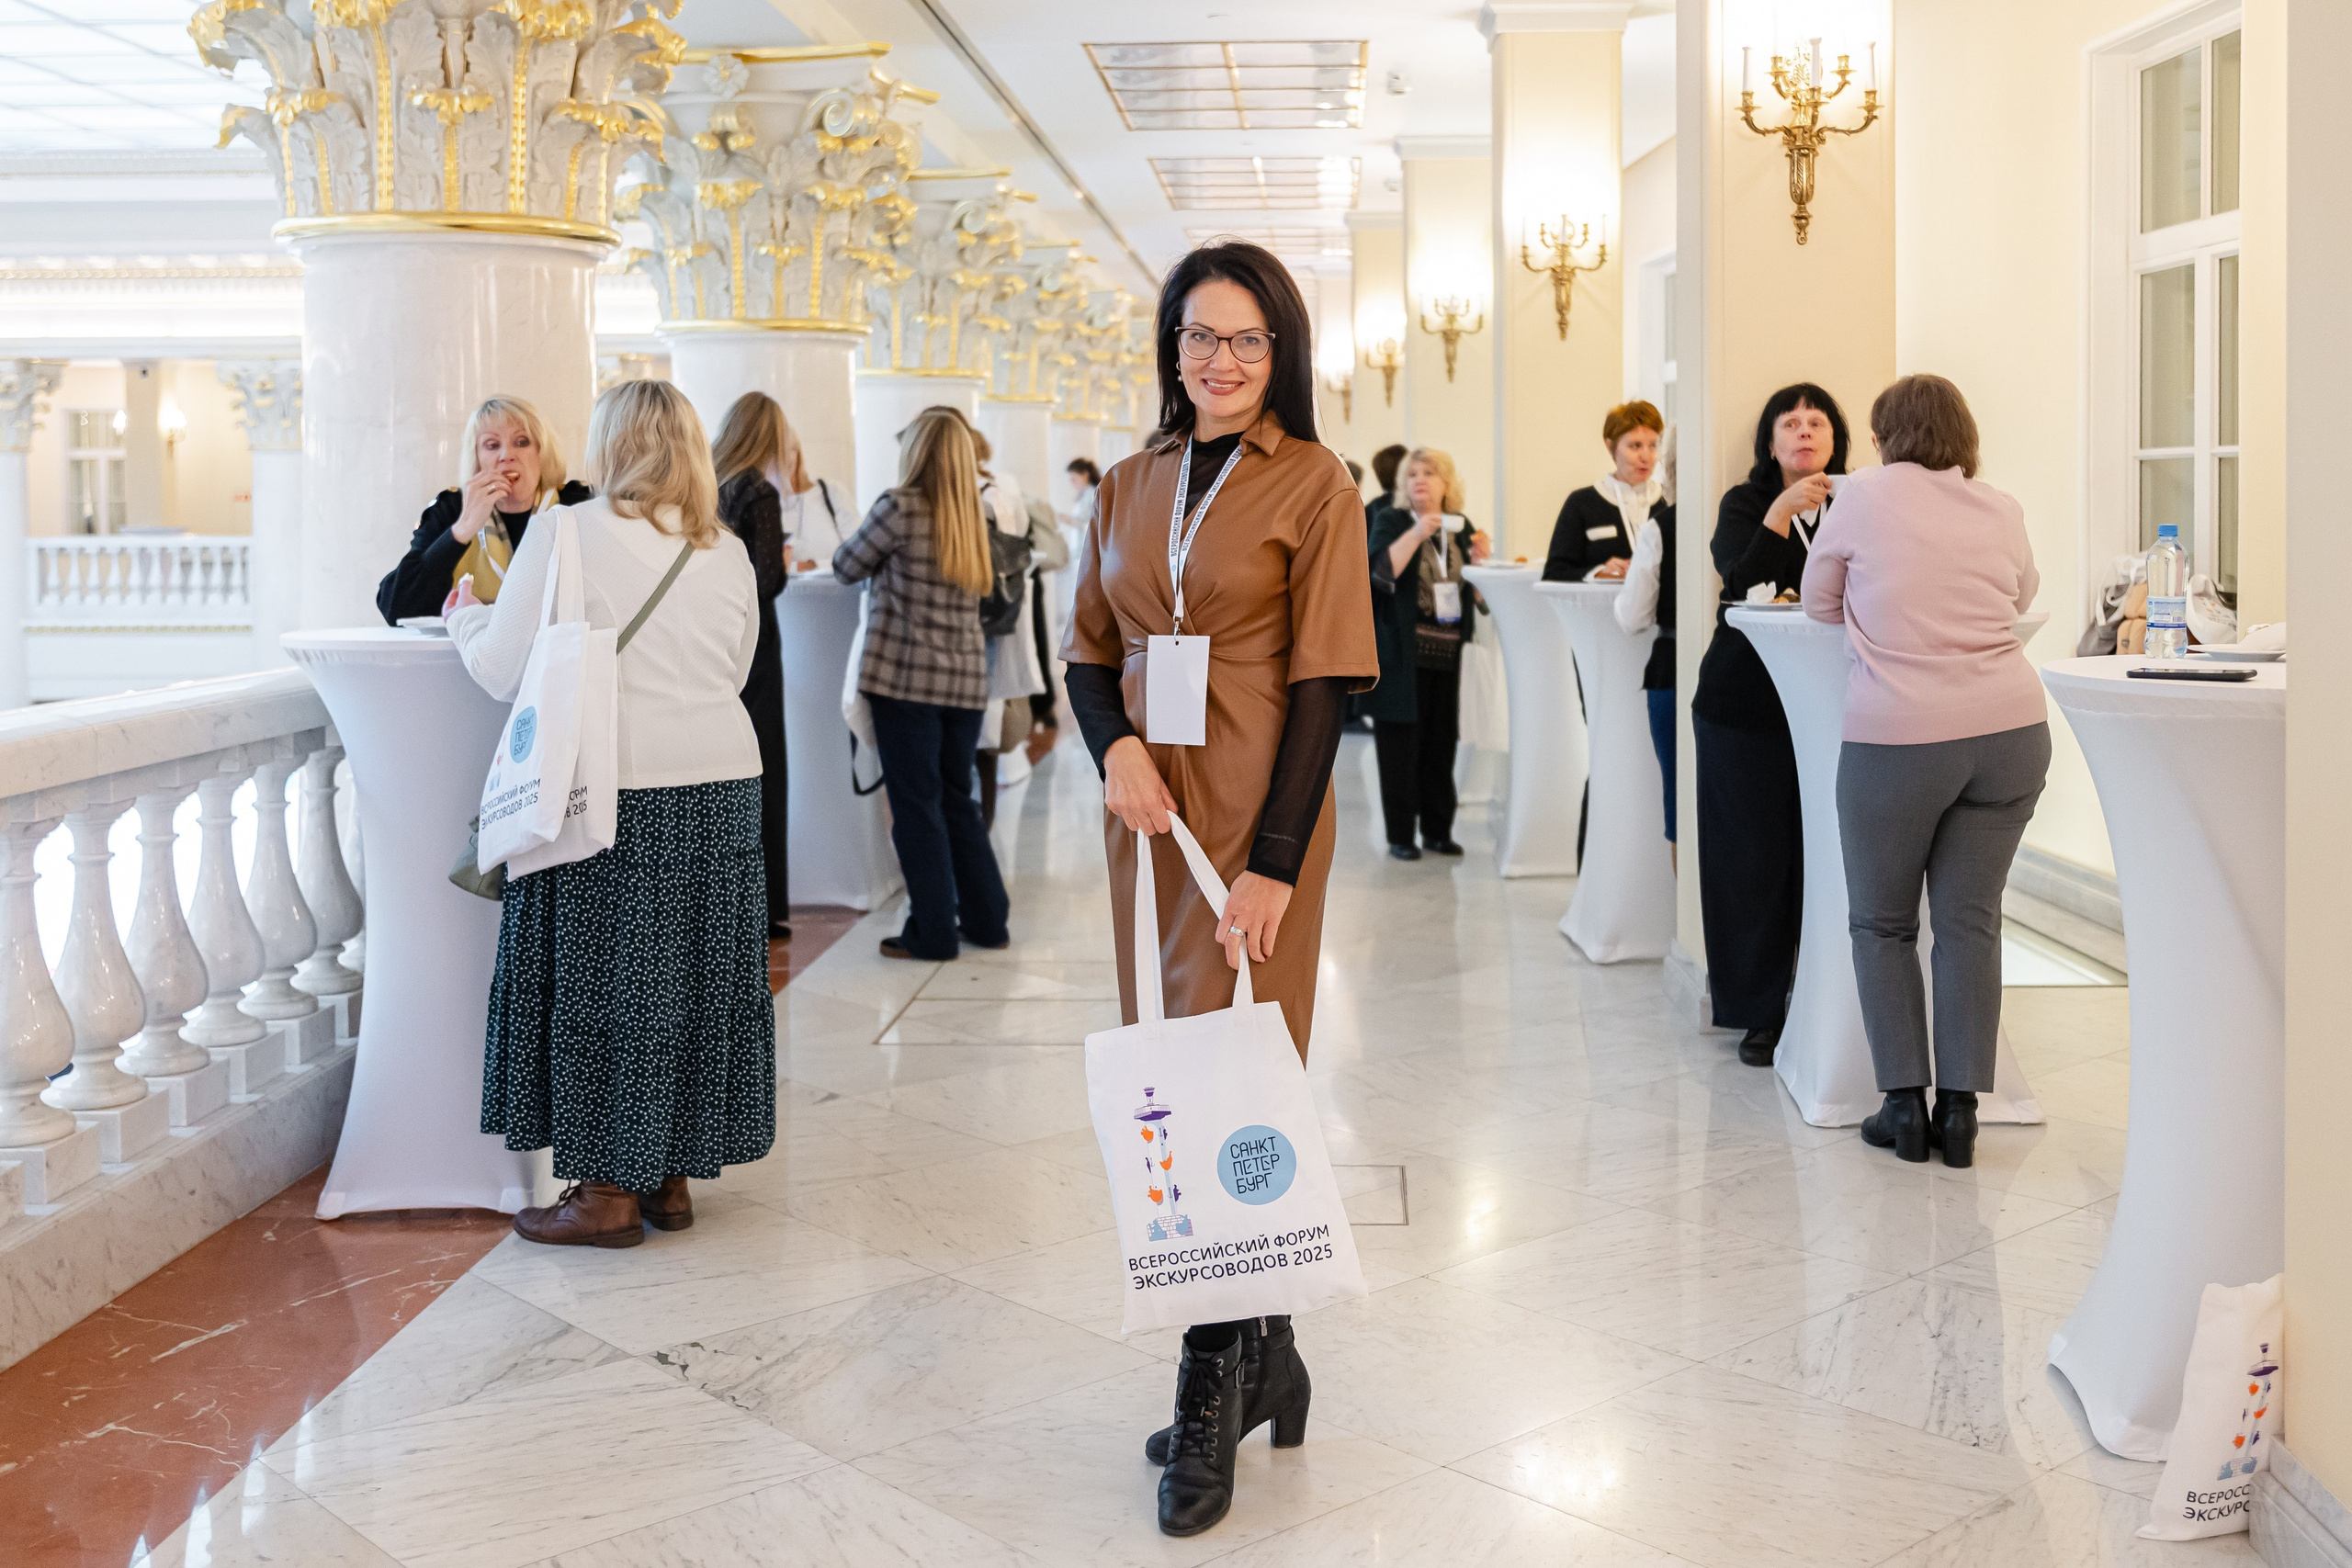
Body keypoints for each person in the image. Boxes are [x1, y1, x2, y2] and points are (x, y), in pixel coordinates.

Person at [1060, 239, 1376, 1539]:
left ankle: (1210, 1369)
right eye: (1201, 337)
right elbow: (1085, 654)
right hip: (1149, 824)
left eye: (1247, 339)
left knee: (1246, 1078)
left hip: (1253, 820)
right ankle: (1269, 1349)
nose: (1223, 361)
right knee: (1175, 1071)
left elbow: (1326, 684)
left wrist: (1276, 864)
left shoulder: (1315, 483)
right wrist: (1117, 743)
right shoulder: (1129, 482)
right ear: (1171, 346)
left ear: (1281, 349)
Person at [447, 379, 772, 1247]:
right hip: (724, 785)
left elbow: (504, 667)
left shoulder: (564, 531)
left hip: (615, 792)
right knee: (691, 984)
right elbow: (735, 669)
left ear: (610, 445)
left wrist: (463, 622)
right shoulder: (726, 549)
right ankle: (666, 1176)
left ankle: (605, 1191)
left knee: (608, 986)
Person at [1803, 375, 2046, 1169]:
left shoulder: (1862, 498)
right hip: (2010, 731)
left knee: (1883, 922)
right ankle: (1963, 1114)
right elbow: (2022, 594)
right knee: (1970, 920)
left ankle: (1904, 1109)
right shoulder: (2000, 505)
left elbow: (1817, 603)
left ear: (1883, 436)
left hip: (1899, 739)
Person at [1692, 382, 1849, 1068]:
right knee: (1751, 862)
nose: (1805, 431)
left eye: (1817, 421)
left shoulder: (1859, 503)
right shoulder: (1745, 503)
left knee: (1821, 858)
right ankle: (1758, 1012)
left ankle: (1823, 999)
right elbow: (1740, 581)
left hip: (1833, 707)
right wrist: (1784, 510)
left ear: (1835, 437)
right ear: (1770, 441)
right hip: (1742, 707)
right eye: (1791, 422)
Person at [833, 408, 1012, 961]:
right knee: (958, 799)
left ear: (915, 452)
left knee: (916, 806)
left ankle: (932, 931)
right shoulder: (974, 516)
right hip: (963, 682)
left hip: (906, 680)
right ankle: (987, 920)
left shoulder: (899, 506)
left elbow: (845, 565)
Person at [1366, 446, 1488, 860]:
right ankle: (1401, 834)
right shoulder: (1391, 520)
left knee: (1441, 745)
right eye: (1412, 473)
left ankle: (1438, 830)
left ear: (1447, 484)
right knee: (1400, 747)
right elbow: (1379, 573)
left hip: (1449, 655)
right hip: (1403, 654)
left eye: (1430, 473)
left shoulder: (1461, 526)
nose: (1420, 480)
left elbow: (1478, 598)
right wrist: (1416, 533)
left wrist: (1480, 566)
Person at [708, 391, 799, 941]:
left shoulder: (705, 486)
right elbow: (768, 580)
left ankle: (722, 901)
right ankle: (764, 907)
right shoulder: (757, 490)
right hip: (757, 641)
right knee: (764, 767)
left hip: (711, 638)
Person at [376, 395, 593, 624]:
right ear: (477, 460)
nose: (506, 456)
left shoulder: (576, 504)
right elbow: (395, 608)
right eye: (492, 445)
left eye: (522, 442)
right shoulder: (453, 509)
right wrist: (462, 530)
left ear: (542, 454)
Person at [1614, 422, 1679, 866]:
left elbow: (1633, 617)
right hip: (1752, 672)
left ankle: (1691, 934)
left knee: (1680, 804)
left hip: (1672, 669)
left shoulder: (1663, 526)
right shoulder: (1762, 515)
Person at [1544, 400, 1668, 583]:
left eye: (1653, 445)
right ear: (1610, 446)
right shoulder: (1581, 503)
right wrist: (1599, 572)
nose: (1646, 457)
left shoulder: (1668, 501)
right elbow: (1554, 573)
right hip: (1599, 609)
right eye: (1635, 446)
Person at [1064, 457, 1101, 528]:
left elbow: (1095, 525)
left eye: (1074, 479)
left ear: (1085, 475)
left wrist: (1072, 522)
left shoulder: (1093, 494)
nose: (1072, 483)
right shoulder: (1083, 495)